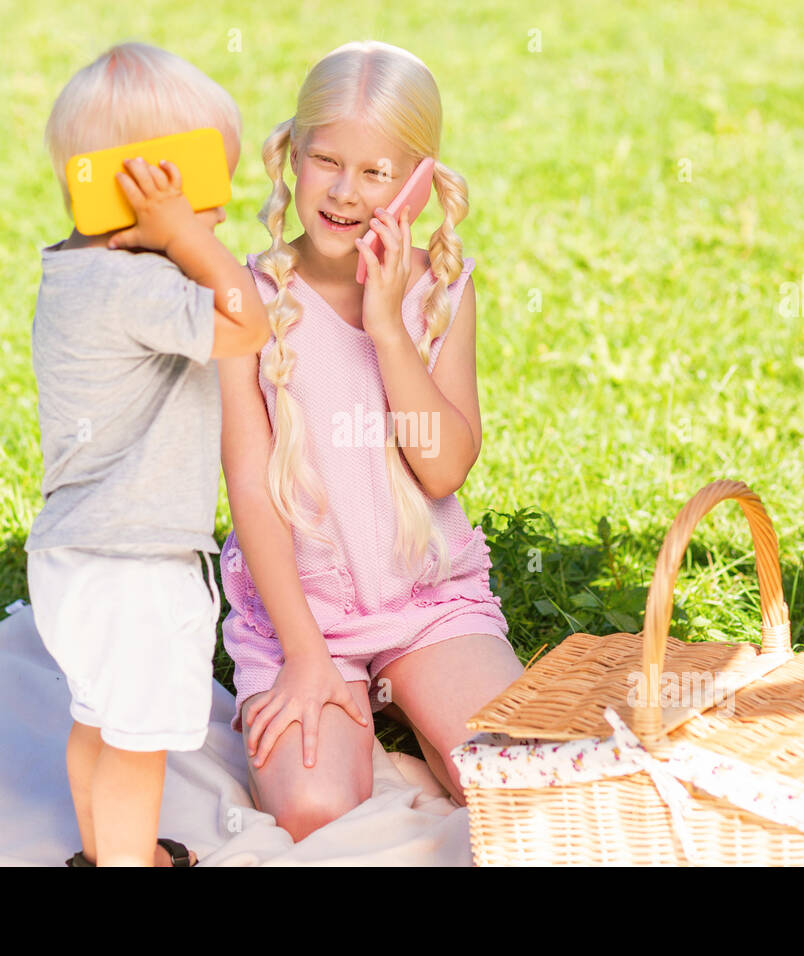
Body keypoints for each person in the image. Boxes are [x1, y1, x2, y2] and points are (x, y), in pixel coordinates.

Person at [217, 40, 525, 842]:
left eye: (377, 173)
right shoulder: (249, 298)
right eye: (327, 161)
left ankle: (425, 722)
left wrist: (388, 325)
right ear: (293, 155)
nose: (345, 193)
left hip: (425, 597)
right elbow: (251, 488)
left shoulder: (439, 291)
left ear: (418, 181)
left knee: (519, 791)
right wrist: (307, 654)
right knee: (314, 810)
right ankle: (389, 740)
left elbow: (444, 465)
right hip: (300, 607)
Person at [26, 41, 268, 866]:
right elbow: (248, 322)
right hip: (135, 563)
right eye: (208, 196)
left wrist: (176, 234)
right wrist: (187, 242)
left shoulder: (73, 274)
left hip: (72, 557)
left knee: (97, 721)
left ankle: (108, 854)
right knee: (137, 747)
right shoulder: (140, 286)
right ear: (148, 188)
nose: (221, 222)